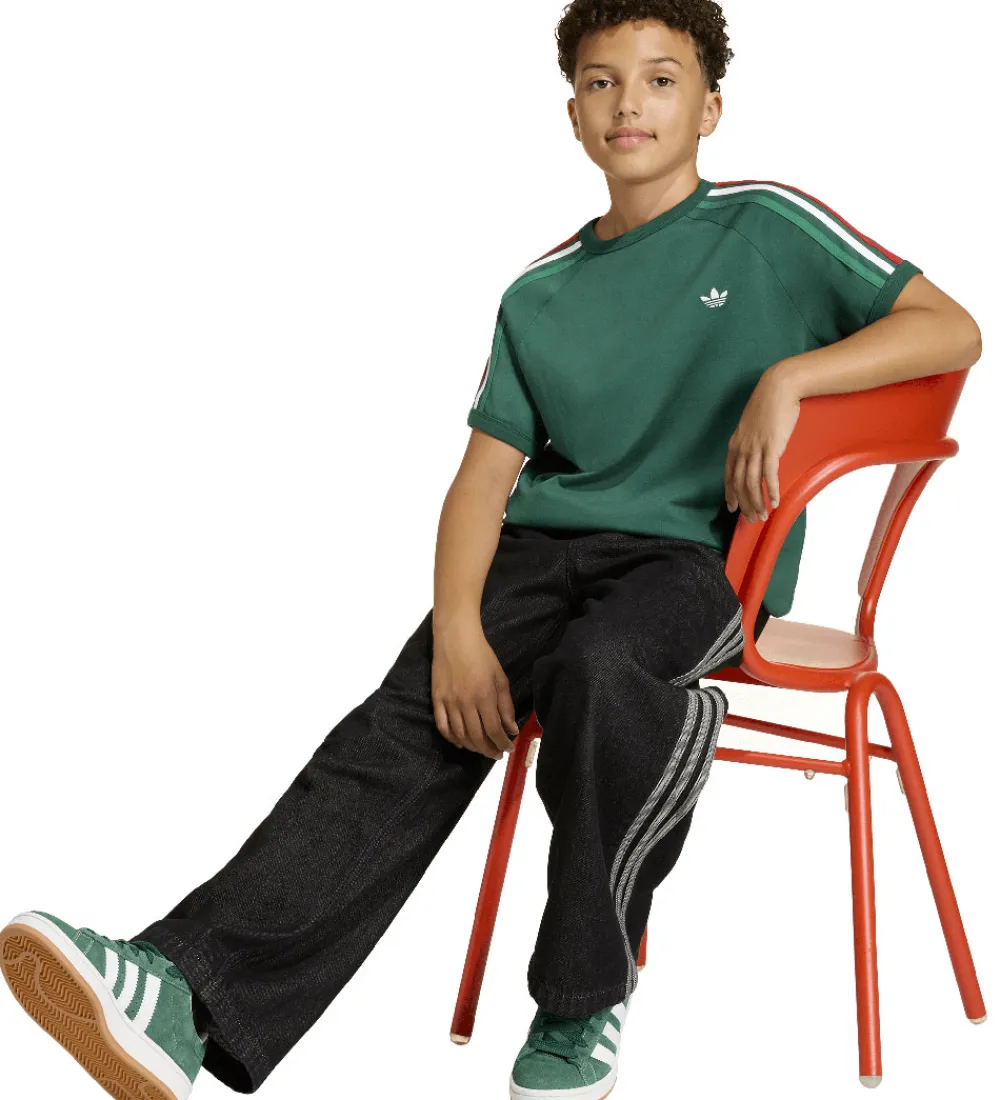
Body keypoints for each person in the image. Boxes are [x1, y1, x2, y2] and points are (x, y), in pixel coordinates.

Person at [3, 2, 979, 1098]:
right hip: (539, 557)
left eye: (661, 80)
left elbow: (952, 329)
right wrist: (461, 632)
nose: (630, 104)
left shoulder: (767, 226)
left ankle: (579, 1001)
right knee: (404, 719)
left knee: (603, 669)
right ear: (573, 114)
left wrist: (789, 377)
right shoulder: (538, 293)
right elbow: (480, 483)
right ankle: (184, 992)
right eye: (602, 82)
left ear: (710, 107)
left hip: (696, 569)